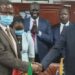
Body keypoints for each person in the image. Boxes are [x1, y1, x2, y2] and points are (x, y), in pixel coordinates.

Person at [0, 2, 41, 75]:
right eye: (4, 13)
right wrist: (29, 66)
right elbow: (4, 56)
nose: (8, 16)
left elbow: (16, 54)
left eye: (10, 13)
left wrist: (30, 64)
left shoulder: (11, 31)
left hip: (15, 71)